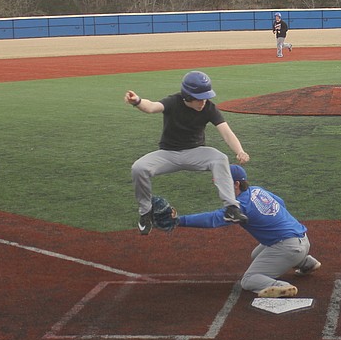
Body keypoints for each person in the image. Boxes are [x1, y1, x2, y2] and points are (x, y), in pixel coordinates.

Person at [125, 70, 250, 235]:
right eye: (199, 98)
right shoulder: (173, 102)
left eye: (206, 97)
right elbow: (152, 107)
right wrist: (137, 101)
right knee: (138, 168)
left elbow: (226, 132)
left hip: (196, 153)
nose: (203, 102)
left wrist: (240, 151)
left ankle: (231, 208)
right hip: (168, 154)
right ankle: (145, 213)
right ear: (187, 96)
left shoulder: (209, 108)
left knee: (220, 158)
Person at [177, 165, 320, 298]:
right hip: (302, 240)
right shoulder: (257, 190)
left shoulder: (241, 206)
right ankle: (306, 262)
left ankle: (281, 286)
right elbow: (280, 202)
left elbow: (212, 219)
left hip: (288, 247)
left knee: (248, 280)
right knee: (256, 254)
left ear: (236, 184)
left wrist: (179, 221)